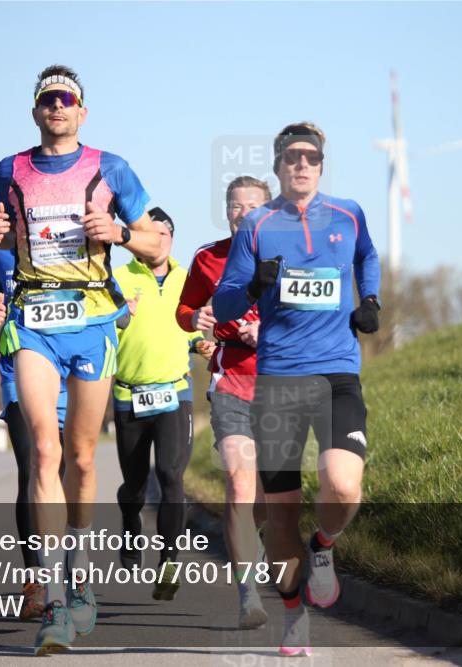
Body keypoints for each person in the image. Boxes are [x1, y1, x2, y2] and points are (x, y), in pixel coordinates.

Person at [0, 64, 162, 655]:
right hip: (33, 321)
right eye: (47, 99)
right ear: (35, 112)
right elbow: (13, 237)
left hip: (91, 324)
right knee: (45, 452)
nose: (57, 106)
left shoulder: (112, 167)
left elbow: (156, 240)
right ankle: (55, 598)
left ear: (83, 112)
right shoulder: (10, 169)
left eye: (67, 98)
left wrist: (117, 232)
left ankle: (82, 574)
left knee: (82, 458)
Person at [213, 122, 381, 657]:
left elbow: (367, 258)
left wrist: (370, 299)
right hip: (279, 379)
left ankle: (325, 546)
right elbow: (223, 306)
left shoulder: (349, 213)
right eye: (291, 157)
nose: (301, 164)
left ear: (321, 164)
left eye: (310, 156)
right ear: (279, 165)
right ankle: (293, 612)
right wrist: (254, 287)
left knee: (344, 483)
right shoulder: (257, 226)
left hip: (336, 372)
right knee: (280, 515)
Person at [176, 176, 271, 629]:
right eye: (235, 205)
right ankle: (247, 591)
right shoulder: (207, 258)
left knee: (269, 500)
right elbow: (184, 312)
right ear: (226, 210)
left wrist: (267, 334)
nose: (242, 212)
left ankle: (260, 541)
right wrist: (194, 317)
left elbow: (318, 319)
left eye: (252, 205)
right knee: (238, 483)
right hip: (230, 382)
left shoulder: (293, 259)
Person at [112, 207, 208, 601]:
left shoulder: (191, 280)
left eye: (165, 232)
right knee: (135, 484)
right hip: (127, 394)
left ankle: (170, 560)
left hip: (174, 393)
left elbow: (194, 330)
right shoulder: (116, 278)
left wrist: (202, 343)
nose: (158, 238)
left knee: (170, 476)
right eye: (149, 232)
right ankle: (131, 522)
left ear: (172, 237)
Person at [0, 248, 70, 622]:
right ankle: (35, 579)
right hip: (18, 371)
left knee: (57, 473)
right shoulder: (1, 253)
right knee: (33, 467)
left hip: (66, 372)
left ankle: (61, 571)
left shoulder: (67, 240)